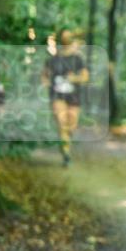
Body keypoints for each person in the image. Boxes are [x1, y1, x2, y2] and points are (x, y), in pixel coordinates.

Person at [42, 29, 89, 167]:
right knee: (62, 125)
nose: (66, 40)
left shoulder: (77, 58)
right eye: (63, 38)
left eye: (68, 38)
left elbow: (85, 77)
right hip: (57, 95)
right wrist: (47, 82)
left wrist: (74, 78)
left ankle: (66, 142)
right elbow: (44, 75)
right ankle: (66, 154)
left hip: (74, 96)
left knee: (71, 126)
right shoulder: (52, 60)